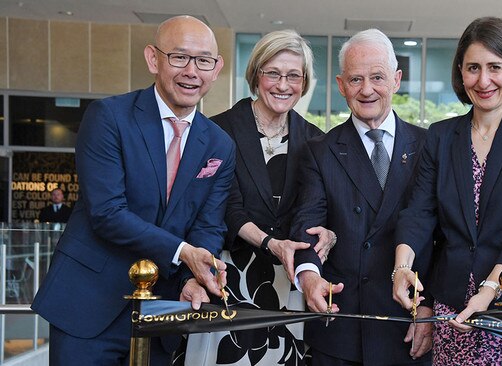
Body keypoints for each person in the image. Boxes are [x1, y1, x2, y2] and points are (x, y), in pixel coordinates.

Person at [31, 16, 236, 365]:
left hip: (163, 312)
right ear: (153, 59)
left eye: (203, 60)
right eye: (179, 57)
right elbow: (107, 213)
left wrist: (192, 277)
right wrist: (185, 253)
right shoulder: (109, 118)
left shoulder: (219, 144)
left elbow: (209, 225)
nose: (191, 71)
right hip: (88, 305)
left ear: (216, 69)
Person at [392, 17, 502, 365]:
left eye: (494, 67)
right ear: (460, 72)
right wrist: (401, 268)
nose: (483, 80)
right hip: (454, 304)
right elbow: (420, 211)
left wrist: (486, 294)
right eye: (473, 68)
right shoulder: (440, 136)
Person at [184, 29, 335, 366]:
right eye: (273, 73)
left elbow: (324, 208)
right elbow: (226, 207)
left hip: (290, 281)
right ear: (255, 75)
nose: (283, 84)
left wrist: (330, 232)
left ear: (304, 82)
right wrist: (271, 243)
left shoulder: (316, 140)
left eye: (294, 75)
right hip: (229, 275)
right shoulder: (217, 130)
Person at [291, 28, 432, 366]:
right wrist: (309, 277)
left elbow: (446, 235)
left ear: (396, 80)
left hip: (410, 323)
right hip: (342, 326)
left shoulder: (430, 147)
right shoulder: (319, 151)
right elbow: (307, 223)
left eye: (377, 77)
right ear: (341, 86)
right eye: (355, 80)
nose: (367, 90)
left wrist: (431, 306)